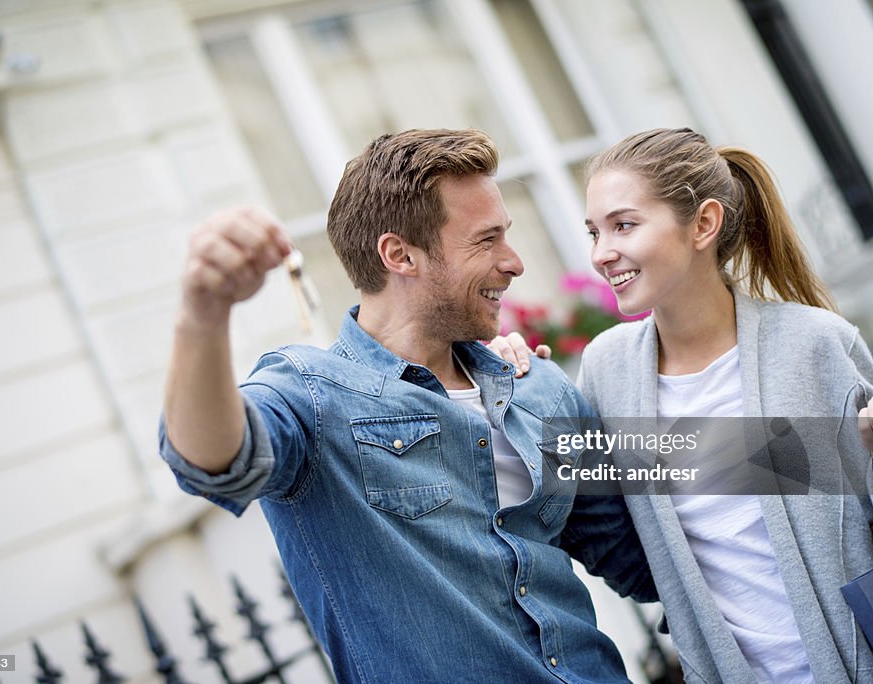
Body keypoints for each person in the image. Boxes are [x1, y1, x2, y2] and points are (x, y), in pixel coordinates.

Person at [159, 128, 656, 682]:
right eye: (486, 240)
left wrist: (758, 429)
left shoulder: (539, 387)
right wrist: (202, 315)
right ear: (400, 255)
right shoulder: (312, 397)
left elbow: (653, 554)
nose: (514, 262)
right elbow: (209, 461)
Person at [493, 127, 873, 682]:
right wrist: (525, 389)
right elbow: (599, 528)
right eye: (594, 231)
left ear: (704, 224)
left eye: (624, 225)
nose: (601, 253)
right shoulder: (605, 371)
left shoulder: (815, 345)